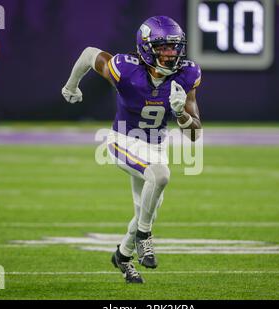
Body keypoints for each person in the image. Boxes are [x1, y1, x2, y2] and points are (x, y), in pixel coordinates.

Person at [62, 16, 202, 283]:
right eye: (163, 47)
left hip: (157, 146)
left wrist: (180, 114)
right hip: (123, 140)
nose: (170, 54)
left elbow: (194, 135)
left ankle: (123, 256)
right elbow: (89, 54)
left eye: (174, 47)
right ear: (146, 47)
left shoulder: (188, 74)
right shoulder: (126, 69)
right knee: (160, 176)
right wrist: (72, 84)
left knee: (146, 208)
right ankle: (144, 237)